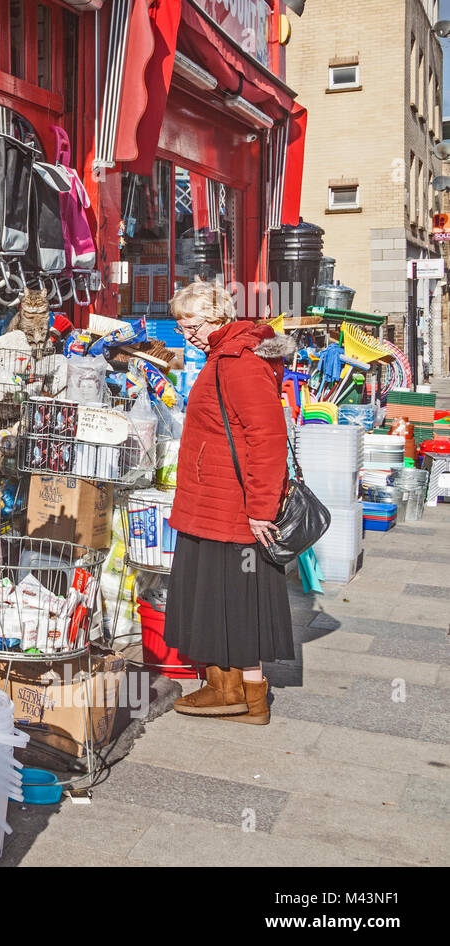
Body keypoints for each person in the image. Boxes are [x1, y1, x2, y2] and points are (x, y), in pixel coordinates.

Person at [163, 281, 296, 725]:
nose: (188, 335)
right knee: (224, 598)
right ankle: (231, 690)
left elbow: (268, 438)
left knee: (233, 597)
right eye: (182, 328)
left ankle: (244, 694)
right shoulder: (227, 354)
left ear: (218, 317)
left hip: (229, 504)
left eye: (193, 325)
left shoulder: (237, 362)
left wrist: (260, 508)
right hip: (214, 499)